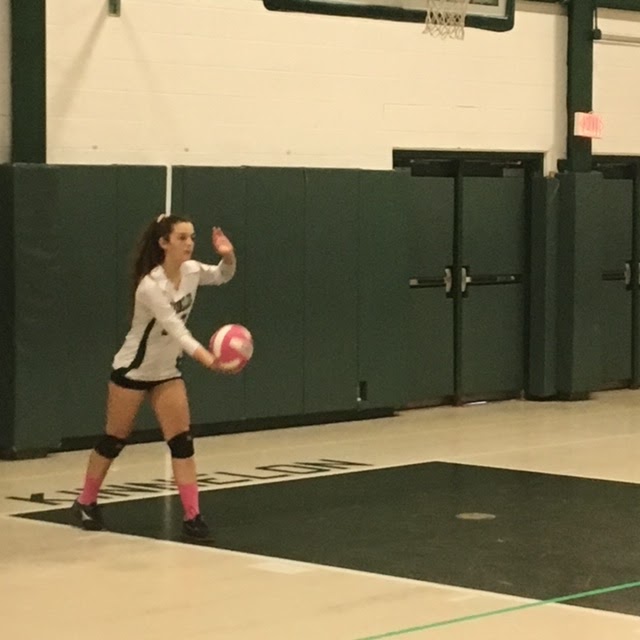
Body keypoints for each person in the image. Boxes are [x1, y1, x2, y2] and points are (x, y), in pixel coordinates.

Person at [71, 213, 236, 541]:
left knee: (182, 443)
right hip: (133, 371)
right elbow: (177, 329)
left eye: (192, 237)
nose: (190, 243)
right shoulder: (150, 286)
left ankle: (193, 517)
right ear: (164, 243)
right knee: (114, 440)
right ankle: (85, 502)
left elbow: (222, 276)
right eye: (182, 238)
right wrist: (209, 359)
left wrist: (227, 255)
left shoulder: (191, 271)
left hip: (166, 373)